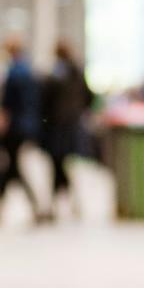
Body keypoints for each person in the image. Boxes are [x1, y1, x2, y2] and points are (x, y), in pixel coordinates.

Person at [0, 38, 49, 226]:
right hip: (29, 124)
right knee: (11, 166)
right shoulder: (31, 71)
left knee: (12, 166)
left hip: (15, 126)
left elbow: (6, 104)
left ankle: (34, 207)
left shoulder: (13, 73)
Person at [41, 41, 92, 216]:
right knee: (62, 163)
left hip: (58, 126)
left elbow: (46, 100)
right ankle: (69, 201)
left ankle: (57, 203)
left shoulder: (57, 73)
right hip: (73, 124)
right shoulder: (78, 72)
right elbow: (89, 97)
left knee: (57, 164)